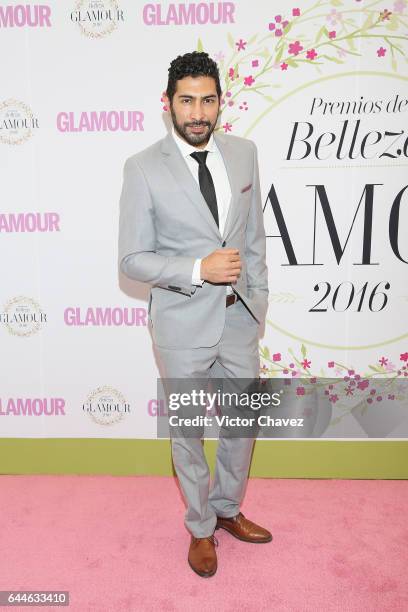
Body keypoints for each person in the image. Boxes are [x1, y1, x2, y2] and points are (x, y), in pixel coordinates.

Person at [118, 51, 272, 578]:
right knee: (188, 432)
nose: (198, 112)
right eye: (187, 100)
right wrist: (197, 268)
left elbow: (253, 238)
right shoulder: (142, 168)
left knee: (241, 424)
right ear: (168, 104)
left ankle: (228, 509)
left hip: (239, 320)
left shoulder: (245, 153)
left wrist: (259, 305)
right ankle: (200, 527)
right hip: (182, 324)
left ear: (220, 102)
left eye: (208, 99)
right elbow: (132, 259)